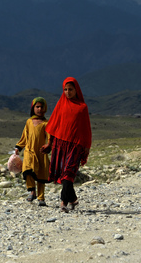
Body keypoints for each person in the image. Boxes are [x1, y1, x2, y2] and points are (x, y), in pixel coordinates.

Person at [41, 77, 92, 213]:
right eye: (65, 89)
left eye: (70, 89)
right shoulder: (61, 105)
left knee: (68, 173)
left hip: (75, 146)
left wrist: (86, 148)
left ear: (76, 90)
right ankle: (73, 199)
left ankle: (63, 202)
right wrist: (49, 144)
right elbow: (53, 125)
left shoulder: (82, 108)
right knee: (63, 175)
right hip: (60, 144)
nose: (68, 92)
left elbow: (86, 129)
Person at [14, 97, 50, 206]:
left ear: (45, 109)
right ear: (33, 108)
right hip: (29, 151)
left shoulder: (46, 123)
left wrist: (49, 145)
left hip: (41, 152)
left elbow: (50, 137)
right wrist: (18, 147)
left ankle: (41, 198)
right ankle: (32, 191)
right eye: (37, 106)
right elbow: (25, 136)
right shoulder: (29, 122)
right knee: (27, 171)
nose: (39, 109)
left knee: (41, 175)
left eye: (41, 107)